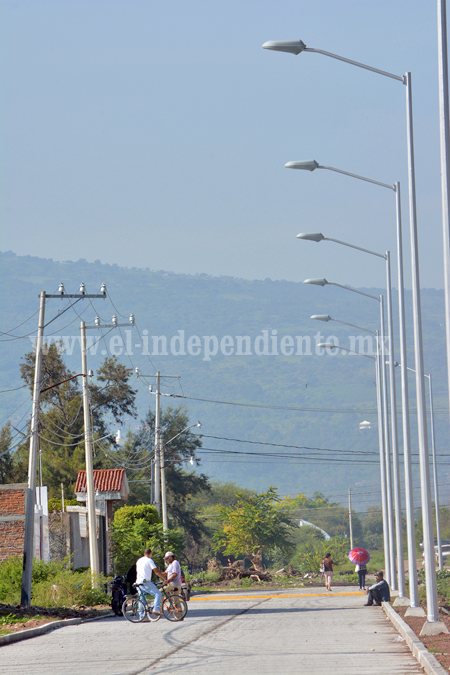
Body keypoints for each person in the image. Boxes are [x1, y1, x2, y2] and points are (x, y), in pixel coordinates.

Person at [135, 547, 166, 617]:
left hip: (138, 582)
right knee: (158, 593)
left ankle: (141, 617)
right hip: (145, 582)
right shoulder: (149, 560)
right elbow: (156, 571)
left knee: (142, 599)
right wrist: (164, 578)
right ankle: (156, 608)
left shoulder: (139, 560)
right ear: (150, 554)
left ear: (144, 554)